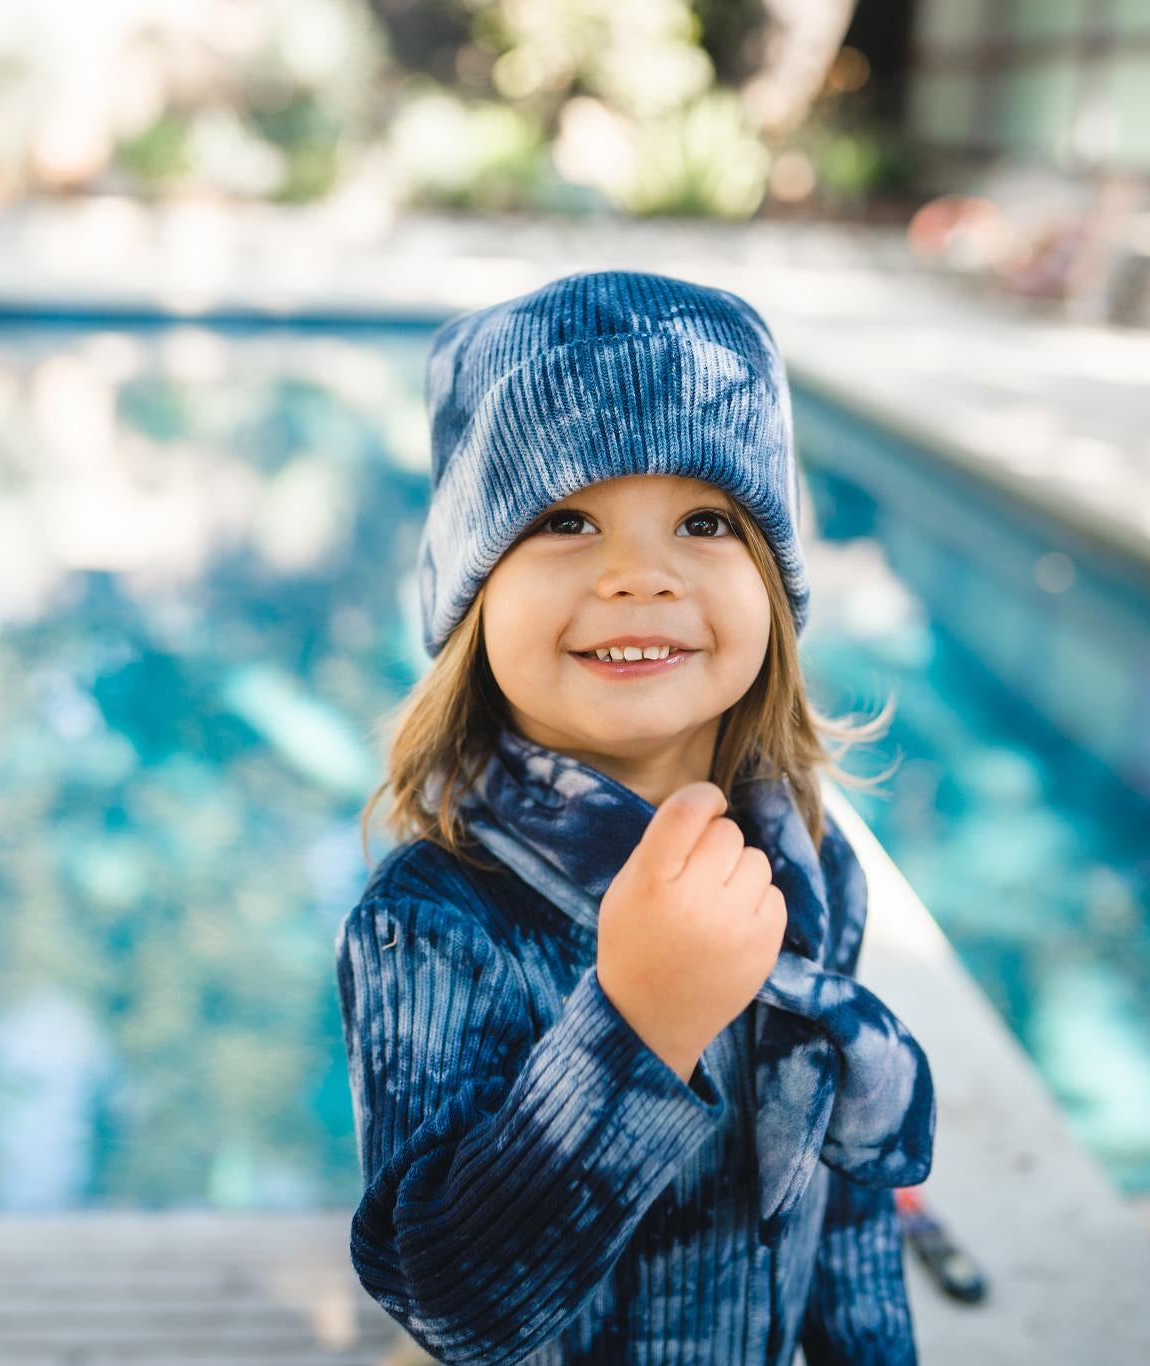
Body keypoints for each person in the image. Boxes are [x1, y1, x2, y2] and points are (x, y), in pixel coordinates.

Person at [335, 268, 937, 1365]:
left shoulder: (807, 861)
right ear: (474, 598)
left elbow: (843, 1208)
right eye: (566, 519)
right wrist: (636, 1016)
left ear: (770, 584)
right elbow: (447, 1300)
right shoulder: (433, 920)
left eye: (703, 520)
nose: (638, 575)